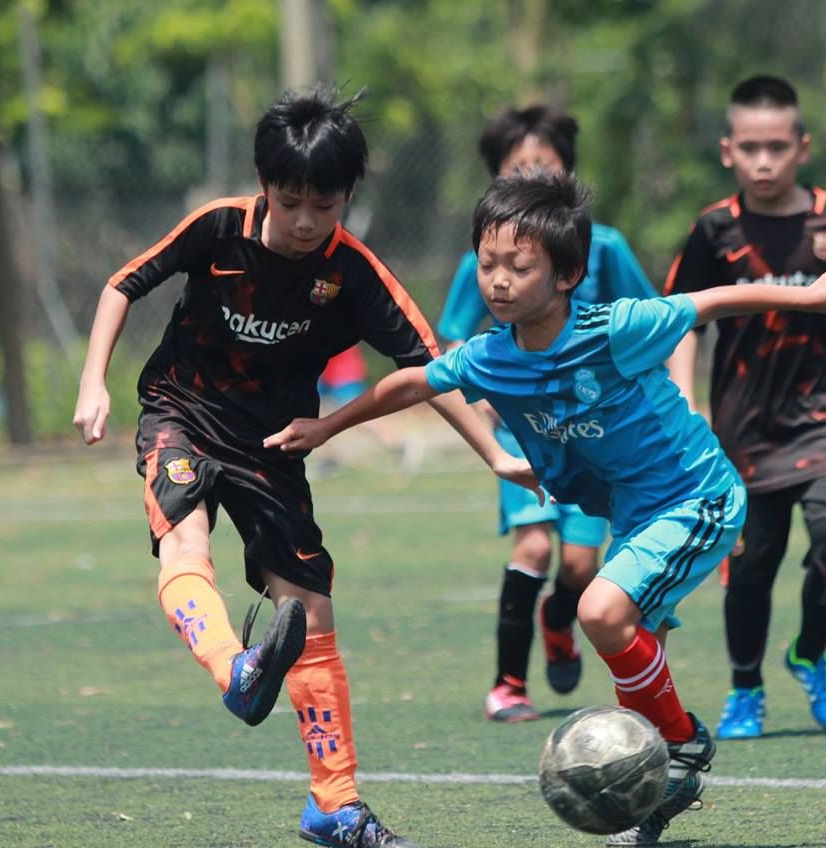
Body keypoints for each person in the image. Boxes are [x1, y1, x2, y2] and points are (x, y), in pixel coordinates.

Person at [263, 171, 826, 844]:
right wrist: (325, 426)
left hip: (696, 497)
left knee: (600, 613)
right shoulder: (491, 356)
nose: (497, 280)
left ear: (567, 274)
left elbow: (710, 301)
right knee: (633, 664)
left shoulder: (614, 329)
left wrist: (810, 297)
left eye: (517, 267)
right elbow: (410, 380)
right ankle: (656, 792)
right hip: (638, 517)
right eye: (487, 263)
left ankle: (685, 744)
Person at [71, 87, 537, 848]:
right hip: (180, 413)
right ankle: (238, 674)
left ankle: (336, 804)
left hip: (275, 442)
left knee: (314, 612)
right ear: (265, 186)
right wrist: (94, 383)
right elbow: (122, 284)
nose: (306, 222)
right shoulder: (218, 228)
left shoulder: (353, 272)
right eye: (291, 203)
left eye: (325, 206)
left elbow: (432, 366)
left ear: (349, 198)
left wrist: (492, 452)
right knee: (187, 544)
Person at [664, 75, 826, 742]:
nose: (764, 160)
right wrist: (685, 406)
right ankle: (746, 688)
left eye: (777, 146)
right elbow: (680, 322)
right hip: (741, 431)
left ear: (803, 147)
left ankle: (809, 652)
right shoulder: (714, 231)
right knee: (750, 566)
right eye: (751, 147)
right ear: (728, 152)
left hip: (825, 416)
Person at [437, 104, 657, 722]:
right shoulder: (479, 259)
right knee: (533, 548)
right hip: (528, 439)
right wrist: (483, 403)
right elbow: (452, 342)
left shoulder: (603, 248)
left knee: (583, 566)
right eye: (518, 167)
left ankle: (559, 619)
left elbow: (650, 320)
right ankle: (508, 684)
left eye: (544, 163)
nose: (532, 173)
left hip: (598, 440)